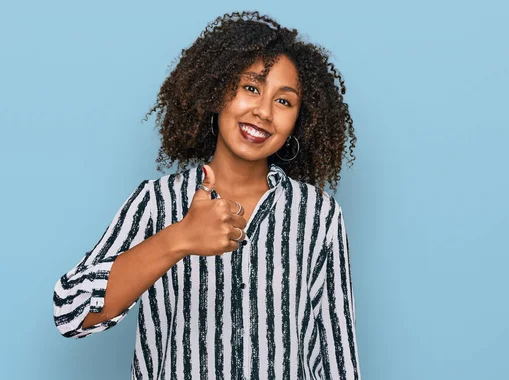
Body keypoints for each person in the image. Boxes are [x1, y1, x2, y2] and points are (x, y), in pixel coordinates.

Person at [53, 11, 361, 380]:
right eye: (251, 88)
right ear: (216, 92)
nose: (263, 112)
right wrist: (179, 238)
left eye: (284, 101)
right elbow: (71, 312)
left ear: (300, 119)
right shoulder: (156, 202)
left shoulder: (318, 214)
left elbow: (335, 354)